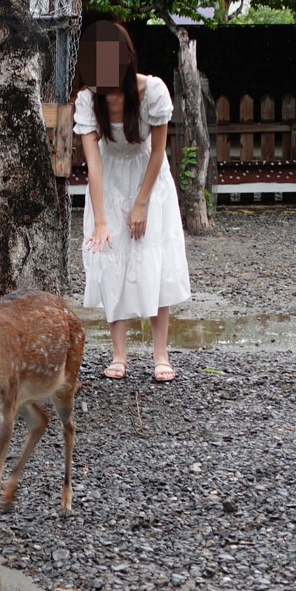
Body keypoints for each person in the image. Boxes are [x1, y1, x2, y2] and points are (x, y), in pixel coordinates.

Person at [73, 20, 191, 382]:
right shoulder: (87, 99)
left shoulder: (152, 90)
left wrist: (141, 203)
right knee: (110, 260)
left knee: (150, 260)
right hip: (108, 181)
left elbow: (157, 153)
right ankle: (119, 354)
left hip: (148, 179)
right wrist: (102, 219)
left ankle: (160, 354)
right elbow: (93, 165)